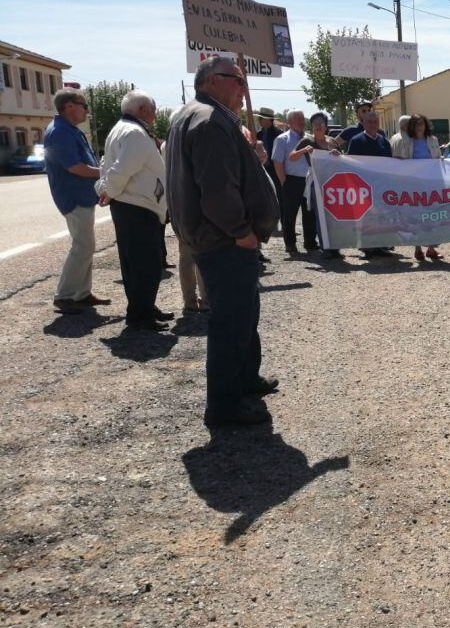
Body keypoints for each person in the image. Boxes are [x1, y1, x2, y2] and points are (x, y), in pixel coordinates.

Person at [166, 56, 280, 428]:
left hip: (218, 238)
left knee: (244, 313)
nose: (243, 89)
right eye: (238, 81)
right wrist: (241, 231)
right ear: (213, 80)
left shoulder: (196, 116)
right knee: (231, 321)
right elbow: (217, 191)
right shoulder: (210, 121)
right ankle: (225, 406)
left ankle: (246, 379)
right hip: (225, 240)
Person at [95, 90, 171, 331]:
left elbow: (106, 165)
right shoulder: (134, 133)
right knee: (145, 264)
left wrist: (106, 188)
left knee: (138, 262)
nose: (156, 115)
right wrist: (108, 190)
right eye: (153, 109)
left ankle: (143, 307)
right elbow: (119, 170)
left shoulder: (121, 129)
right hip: (137, 206)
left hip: (134, 205)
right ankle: (140, 314)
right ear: (142, 110)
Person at [43, 87, 109, 314]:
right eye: (84, 105)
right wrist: (106, 172)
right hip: (73, 199)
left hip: (80, 197)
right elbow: (75, 168)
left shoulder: (68, 130)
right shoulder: (60, 132)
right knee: (83, 246)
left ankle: (81, 293)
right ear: (69, 106)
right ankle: (64, 296)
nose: (87, 111)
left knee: (85, 246)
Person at [391, 113, 443, 261]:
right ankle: (418, 248)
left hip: (431, 184)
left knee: (433, 215)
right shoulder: (407, 141)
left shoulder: (433, 140)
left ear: (426, 125)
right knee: (416, 216)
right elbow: (400, 161)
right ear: (412, 126)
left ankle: (431, 249)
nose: (420, 126)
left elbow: (438, 158)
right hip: (413, 185)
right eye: (416, 124)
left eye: (422, 123)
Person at [344, 110, 394, 259]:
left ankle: (378, 245)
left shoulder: (384, 142)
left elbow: (389, 163)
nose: (373, 125)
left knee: (380, 216)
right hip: (363, 186)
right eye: (369, 122)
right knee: (365, 217)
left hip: (381, 186)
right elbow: (350, 163)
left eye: (375, 122)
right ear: (364, 123)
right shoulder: (356, 141)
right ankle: (366, 246)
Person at [297, 112, 341, 259]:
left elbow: (343, 160)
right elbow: (292, 156)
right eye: (315, 123)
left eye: (321, 123)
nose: (318, 126)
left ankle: (335, 247)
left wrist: (337, 155)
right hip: (316, 183)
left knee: (334, 216)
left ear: (326, 126)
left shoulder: (332, 142)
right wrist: (304, 150)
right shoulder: (306, 141)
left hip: (332, 183)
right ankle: (325, 248)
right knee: (320, 216)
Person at [272, 109, 317, 255]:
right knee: (289, 214)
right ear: (290, 122)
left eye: (303, 118)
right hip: (291, 180)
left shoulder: (310, 138)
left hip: (309, 180)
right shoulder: (282, 139)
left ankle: (310, 242)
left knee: (309, 213)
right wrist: (284, 181)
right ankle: (290, 244)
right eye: (298, 119)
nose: (302, 121)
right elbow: (277, 162)